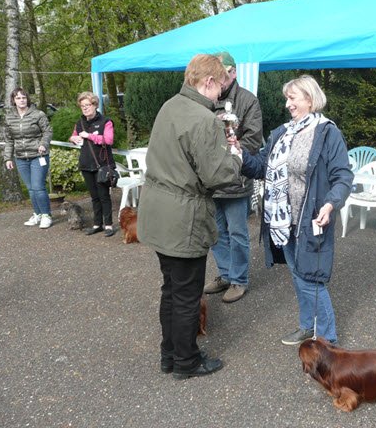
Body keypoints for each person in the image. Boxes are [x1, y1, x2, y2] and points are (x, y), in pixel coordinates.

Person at [137, 54, 243, 379]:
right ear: (208, 82)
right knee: (186, 296)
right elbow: (217, 175)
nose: (221, 95)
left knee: (171, 289)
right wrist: (235, 156)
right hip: (183, 217)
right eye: (220, 87)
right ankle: (187, 361)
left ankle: (169, 355)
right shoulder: (202, 117)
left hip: (157, 212)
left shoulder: (170, 105)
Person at [236, 74, 353, 346]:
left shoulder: (327, 133)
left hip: (311, 218)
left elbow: (343, 176)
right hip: (282, 221)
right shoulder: (282, 133)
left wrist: (330, 202)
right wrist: (239, 153)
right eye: (287, 98)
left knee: (311, 279)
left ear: (310, 100)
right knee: (298, 275)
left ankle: (327, 340)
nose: (288, 104)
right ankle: (306, 326)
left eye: (292, 98)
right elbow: (261, 168)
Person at [203, 52, 263, 303]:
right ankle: (226, 274)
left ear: (234, 72)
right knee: (216, 232)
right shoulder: (205, 99)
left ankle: (239, 280)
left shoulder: (248, 100)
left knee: (238, 233)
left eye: (223, 74)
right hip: (211, 180)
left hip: (236, 180)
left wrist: (230, 151)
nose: (219, 79)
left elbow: (254, 140)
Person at [2, 87, 53, 229]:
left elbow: (48, 131)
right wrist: (8, 158)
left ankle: (46, 215)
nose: (21, 100)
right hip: (20, 157)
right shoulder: (9, 117)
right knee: (31, 188)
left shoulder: (38, 114)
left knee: (38, 186)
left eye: (23, 97)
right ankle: (37, 213)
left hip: (38, 155)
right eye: (18, 98)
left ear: (27, 99)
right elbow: (8, 140)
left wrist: (43, 144)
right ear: (13, 100)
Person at [69, 92, 116, 237]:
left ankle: (108, 225)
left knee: (104, 196)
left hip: (101, 165)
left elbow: (108, 140)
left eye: (88, 105)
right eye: (82, 106)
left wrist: (89, 136)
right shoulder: (80, 122)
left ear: (95, 105)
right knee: (94, 196)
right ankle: (97, 224)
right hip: (86, 164)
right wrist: (73, 139)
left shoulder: (105, 121)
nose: (85, 108)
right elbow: (73, 136)